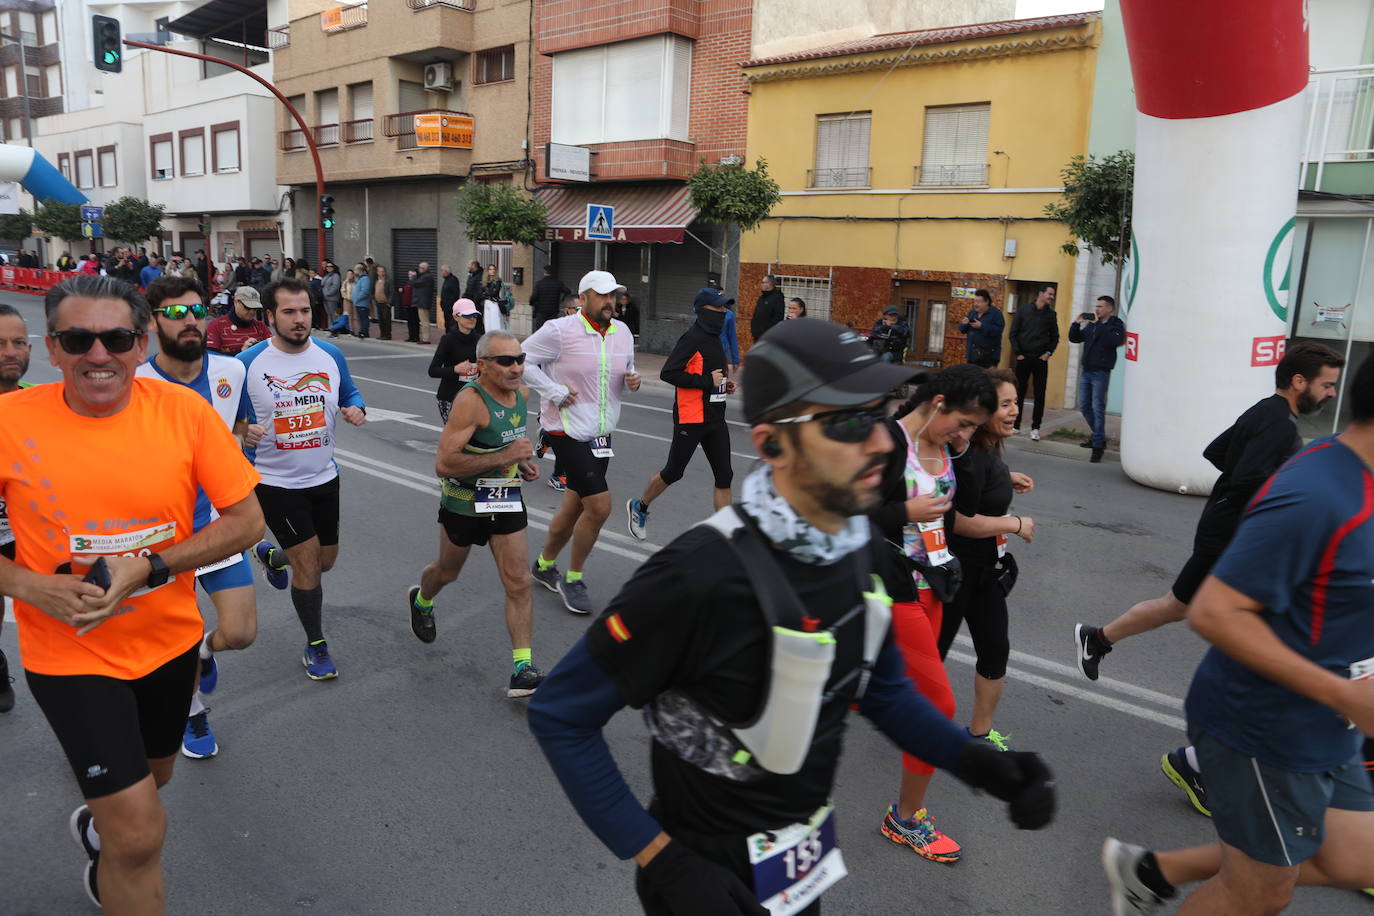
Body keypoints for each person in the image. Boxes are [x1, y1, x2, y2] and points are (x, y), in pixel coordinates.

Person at [528, 317, 1055, 916]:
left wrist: (981, 764)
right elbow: (560, 715)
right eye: (850, 423)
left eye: (882, 415)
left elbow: (882, 691)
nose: (882, 442)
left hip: (794, 863)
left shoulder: (854, 544)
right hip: (702, 875)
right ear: (774, 441)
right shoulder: (696, 574)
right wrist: (658, 857)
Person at [0, 274, 262, 910]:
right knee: (143, 834)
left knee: (156, 778)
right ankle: (120, 842)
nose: (99, 354)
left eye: (116, 337)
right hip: (70, 655)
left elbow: (246, 520)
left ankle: (102, 835)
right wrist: (30, 586)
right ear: (52, 348)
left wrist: (149, 567)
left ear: (141, 345)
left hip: (168, 644)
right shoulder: (8, 421)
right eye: (78, 339)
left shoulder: (185, 413)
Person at [1102, 355, 1374, 916]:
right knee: (1259, 893)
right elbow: (1213, 613)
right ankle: (1169, 872)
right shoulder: (1318, 491)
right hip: (1267, 727)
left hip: (1331, 721)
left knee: (1359, 861)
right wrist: (1344, 694)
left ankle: (1155, 869)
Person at [1075, 341, 1344, 812]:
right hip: (1236, 538)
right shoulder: (1279, 425)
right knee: (1258, 639)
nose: (1330, 395)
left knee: (1179, 606)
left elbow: (1217, 452)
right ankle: (1201, 757)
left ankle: (1097, 639)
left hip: (1223, 525)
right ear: (1299, 382)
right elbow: (1250, 478)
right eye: (1326, 385)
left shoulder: (1265, 411)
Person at [864, 364, 996, 865]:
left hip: (934, 585)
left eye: (972, 428)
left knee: (909, 696)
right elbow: (841, 511)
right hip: (892, 588)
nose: (964, 436)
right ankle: (905, 819)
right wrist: (904, 513)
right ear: (937, 402)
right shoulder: (885, 441)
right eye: (962, 423)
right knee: (937, 706)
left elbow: (953, 515)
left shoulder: (947, 449)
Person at [137, 275, 261, 760]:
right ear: (153, 322)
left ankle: (207, 651)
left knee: (241, 634)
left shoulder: (231, 371)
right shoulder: (139, 383)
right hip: (162, 539)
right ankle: (191, 712)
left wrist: (244, 440)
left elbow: (240, 425)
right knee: (176, 642)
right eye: (175, 313)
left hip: (217, 530)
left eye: (196, 310)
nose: (189, 320)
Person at [239, 277, 367, 680]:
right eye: (289, 312)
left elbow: (350, 392)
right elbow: (216, 419)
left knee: (324, 562)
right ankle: (316, 645)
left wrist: (356, 408)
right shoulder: (247, 365)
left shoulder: (330, 354)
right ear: (271, 316)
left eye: (305, 311)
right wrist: (241, 430)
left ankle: (270, 554)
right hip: (274, 481)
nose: (299, 320)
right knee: (309, 564)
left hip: (324, 477)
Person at [409, 330, 547, 697]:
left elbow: (510, 444)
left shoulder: (523, 394)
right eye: (506, 361)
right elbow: (444, 463)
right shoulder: (470, 401)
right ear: (483, 365)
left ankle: (523, 667)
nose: (516, 367)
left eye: (519, 359)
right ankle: (422, 600)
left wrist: (524, 464)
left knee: (519, 580)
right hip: (463, 501)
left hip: (504, 498)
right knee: (447, 572)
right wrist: (505, 458)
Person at [523, 270, 640, 615]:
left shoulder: (622, 332)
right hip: (566, 430)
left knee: (574, 506)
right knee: (600, 507)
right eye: (602, 295)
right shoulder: (560, 330)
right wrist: (553, 390)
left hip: (601, 432)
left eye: (613, 295)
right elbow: (520, 359)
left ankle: (544, 565)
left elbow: (625, 369)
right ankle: (572, 578)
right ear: (582, 298)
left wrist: (632, 380)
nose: (610, 301)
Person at [936, 368, 1037, 747]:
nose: (1014, 411)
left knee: (995, 650)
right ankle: (907, 721)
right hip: (954, 571)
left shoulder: (989, 449)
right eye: (1005, 404)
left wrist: (1006, 476)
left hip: (987, 573)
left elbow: (982, 480)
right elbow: (958, 520)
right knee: (931, 656)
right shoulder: (965, 452)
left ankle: (979, 733)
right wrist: (1014, 523)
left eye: (1016, 402)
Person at [626, 288, 736, 541]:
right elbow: (669, 373)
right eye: (719, 308)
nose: (724, 312)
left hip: (716, 417)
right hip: (692, 417)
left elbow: (711, 375)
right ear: (704, 311)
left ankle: (725, 536)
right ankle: (639, 506)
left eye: (725, 308)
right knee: (674, 471)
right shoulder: (692, 338)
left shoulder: (715, 339)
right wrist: (708, 380)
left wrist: (723, 385)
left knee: (724, 474)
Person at [0, 302, 33, 715]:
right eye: (0, 343)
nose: (10, 351)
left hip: (31, 537)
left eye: (19, 342)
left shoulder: (46, 405)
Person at [1067, 294, 1126, 462]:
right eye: (1097, 306)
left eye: (1100, 306)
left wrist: (1097, 325)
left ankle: (1098, 445)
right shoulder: (1093, 324)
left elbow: (1113, 341)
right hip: (1087, 370)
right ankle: (1099, 436)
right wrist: (1076, 323)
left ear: (1110, 309)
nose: (1097, 309)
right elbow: (1076, 338)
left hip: (1101, 372)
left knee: (1097, 408)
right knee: (1085, 406)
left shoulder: (1116, 325)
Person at [1009, 284, 1058, 440]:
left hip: (1040, 359)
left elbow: (1055, 337)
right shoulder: (1023, 311)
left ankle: (1035, 428)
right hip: (1023, 358)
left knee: (1040, 394)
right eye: (1050, 294)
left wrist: (1048, 353)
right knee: (1019, 393)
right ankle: (1016, 425)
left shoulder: (1051, 315)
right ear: (1041, 293)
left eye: (1053, 294)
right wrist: (1018, 353)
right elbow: (1013, 333)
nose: (1052, 297)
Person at [430, 299, 482, 422]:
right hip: (450, 398)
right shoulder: (448, 340)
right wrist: (455, 369)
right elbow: (433, 371)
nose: (472, 319)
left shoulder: (480, 339)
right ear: (456, 317)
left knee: (474, 437)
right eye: (467, 315)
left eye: (474, 315)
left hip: (474, 397)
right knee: (456, 437)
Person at [204, 286, 271, 356]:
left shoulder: (261, 327)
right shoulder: (216, 326)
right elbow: (210, 357)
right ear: (235, 302)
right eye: (247, 307)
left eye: (255, 308)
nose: (252, 312)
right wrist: (241, 352)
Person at [958, 289, 1004, 368]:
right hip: (972, 355)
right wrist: (964, 324)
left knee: (986, 379)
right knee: (972, 379)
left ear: (986, 302)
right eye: (974, 301)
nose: (975, 304)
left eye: (978, 302)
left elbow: (998, 331)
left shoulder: (996, 314)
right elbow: (962, 330)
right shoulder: (972, 313)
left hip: (989, 357)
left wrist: (982, 326)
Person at [530, 264, 569, 331]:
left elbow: (534, 297)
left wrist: (532, 303)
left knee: (540, 330)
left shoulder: (539, 283)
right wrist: (562, 299)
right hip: (553, 311)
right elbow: (568, 291)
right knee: (552, 329)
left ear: (545, 272)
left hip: (541, 311)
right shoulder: (558, 283)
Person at [751, 273, 786, 342]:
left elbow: (778, 317)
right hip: (757, 335)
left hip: (768, 336)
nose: (761, 284)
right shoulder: (762, 297)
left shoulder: (777, 297)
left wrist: (765, 329)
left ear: (769, 284)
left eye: (763, 282)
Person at [413, 261, 436, 344]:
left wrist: (414, 276)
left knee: (424, 321)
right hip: (423, 301)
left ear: (424, 269)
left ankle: (425, 339)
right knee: (423, 321)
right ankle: (424, 338)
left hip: (423, 302)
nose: (418, 269)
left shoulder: (426, 277)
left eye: (420, 268)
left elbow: (415, 283)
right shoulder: (426, 276)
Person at [352, 262, 374, 339]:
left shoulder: (365, 279)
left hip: (362, 303)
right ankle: (362, 331)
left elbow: (365, 291)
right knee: (360, 318)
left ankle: (365, 332)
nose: (354, 271)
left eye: (355, 269)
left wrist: (357, 298)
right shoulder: (359, 278)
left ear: (359, 270)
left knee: (364, 318)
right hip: (358, 303)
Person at [321, 261, 342, 331]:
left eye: (330, 267)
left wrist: (328, 293)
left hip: (332, 298)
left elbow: (335, 287)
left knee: (333, 314)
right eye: (327, 267)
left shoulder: (335, 275)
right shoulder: (326, 275)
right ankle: (331, 327)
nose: (328, 268)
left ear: (333, 267)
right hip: (325, 298)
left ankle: (335, 328)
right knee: (329, 314)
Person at [373, 264, 393, 340]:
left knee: (386, 320)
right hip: (378, 302)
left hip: (385, 303)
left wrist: (389, 302)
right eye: (379, 271)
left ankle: (388, 335)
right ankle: (382, 334)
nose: (381, 273)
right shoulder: (376, 280)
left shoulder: (388, 280)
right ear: (377, 272)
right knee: (380, 320)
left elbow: (391, 292)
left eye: (382, 271)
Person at [440, 265, 462, 334]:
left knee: (451, 324)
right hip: (446, 307)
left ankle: (451, 337)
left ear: (446, 271)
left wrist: (450, 304)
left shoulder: (453, 280)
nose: (441, 272)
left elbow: (455, 294)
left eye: (442, 271)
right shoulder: (446, 280)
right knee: (447, 323)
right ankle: (448, 336)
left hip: (451, 307)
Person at [401, 269, 419, 342]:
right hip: (407, 304)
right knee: (409, 322)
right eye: (409, 274)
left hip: (414, 305)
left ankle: (415, 337)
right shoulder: (408, 282)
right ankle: (411, 336)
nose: (410, 276)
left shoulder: (416, 283)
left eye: (412, 274)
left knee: (415, 321)